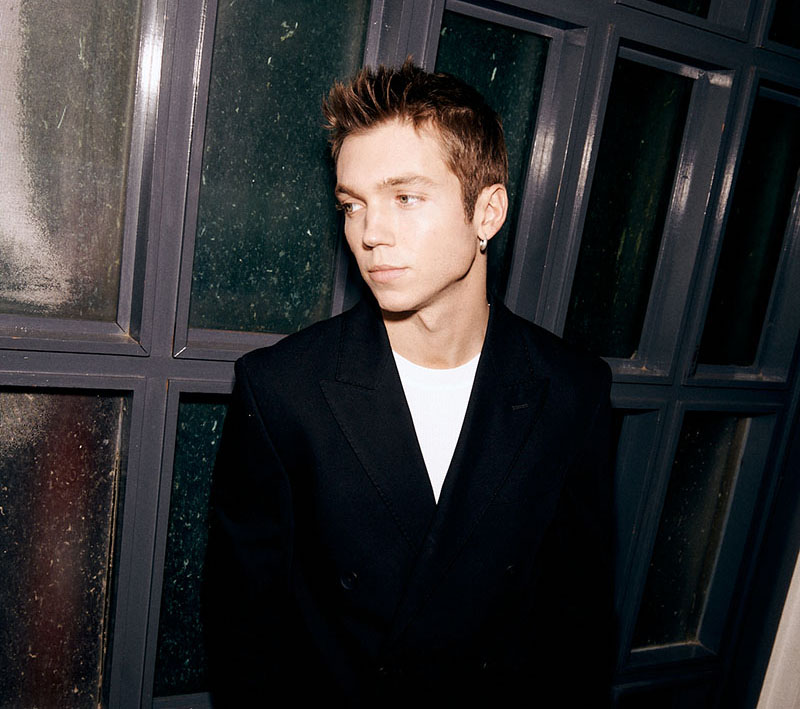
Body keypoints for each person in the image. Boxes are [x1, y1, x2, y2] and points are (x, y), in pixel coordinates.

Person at [203, 60, 615, 707]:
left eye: (406, 197)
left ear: (488, 212)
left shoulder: (571, 390)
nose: (371, 233)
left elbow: (578, 626)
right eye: (352, 205)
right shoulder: (283, 390)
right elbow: (244, 636)